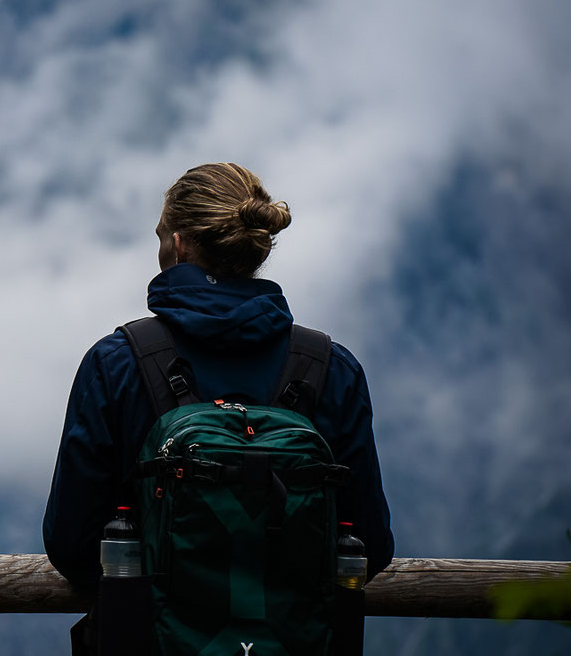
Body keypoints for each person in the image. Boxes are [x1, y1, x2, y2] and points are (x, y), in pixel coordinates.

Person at [43, 162, 394, 619]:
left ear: (178, 244)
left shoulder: (117, 363)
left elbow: (72, 546)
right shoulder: (332, 368)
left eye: (160, 236)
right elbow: (370, 544)